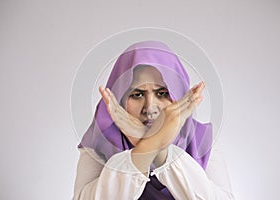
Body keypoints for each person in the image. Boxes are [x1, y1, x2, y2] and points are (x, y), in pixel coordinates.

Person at [73, 41, 235, 199]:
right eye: (137, 94)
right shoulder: (100, 140)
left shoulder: (201, 139)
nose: (150, 108)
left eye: (162, 93)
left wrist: (158, 150)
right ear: (120, 96)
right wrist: (150, 146)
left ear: (178, 93)